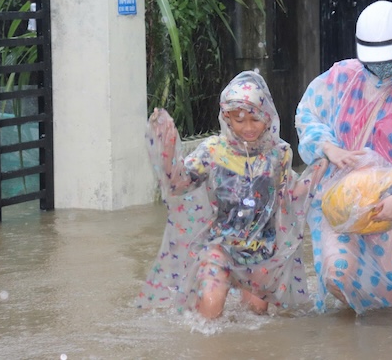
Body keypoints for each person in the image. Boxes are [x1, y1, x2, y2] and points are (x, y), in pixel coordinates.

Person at [295, 0, 392, 314]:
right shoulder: (342, 76)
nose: (380, 69)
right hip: (342, 201)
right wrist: (330, 147)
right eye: (373, 62)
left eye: (388, 61)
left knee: (385, 304)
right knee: (337, 276)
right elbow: (306, 114)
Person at [137, 70, 326, 319]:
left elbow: (289, 196)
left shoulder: (279, 154)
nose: (248, 127)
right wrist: (168, 154)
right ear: (227, 118)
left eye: (255, 119)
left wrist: (321, 168)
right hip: (221, 246)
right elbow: (179, 185)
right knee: (211, 308)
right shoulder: (213, 151)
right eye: (239, 120)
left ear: (268, 117)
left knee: (256, 316)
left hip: (261, 252)